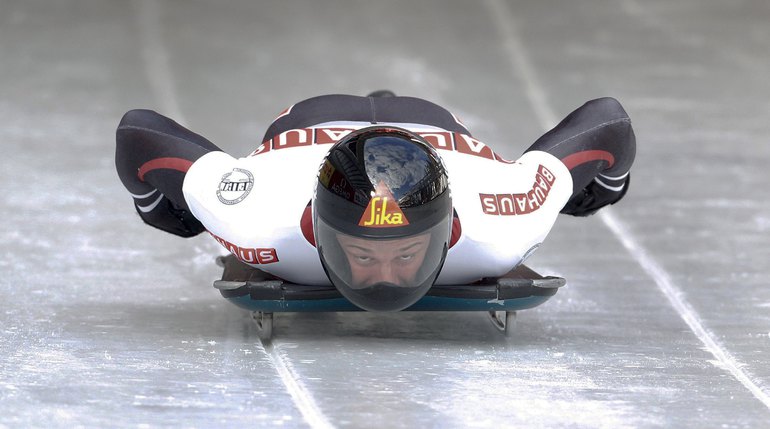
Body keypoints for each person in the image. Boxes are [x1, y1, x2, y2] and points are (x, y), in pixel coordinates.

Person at [115, 92, 635, 311]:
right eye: (363, 254)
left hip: (429, 127)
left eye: (406, 253)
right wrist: (601, 190)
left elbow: (140, 133)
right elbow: (607, 122)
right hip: (312, 123)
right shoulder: (257, 213)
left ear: (448, 229)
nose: (385, 278)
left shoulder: (502, 220)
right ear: (318, 230)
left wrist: (164, 211)